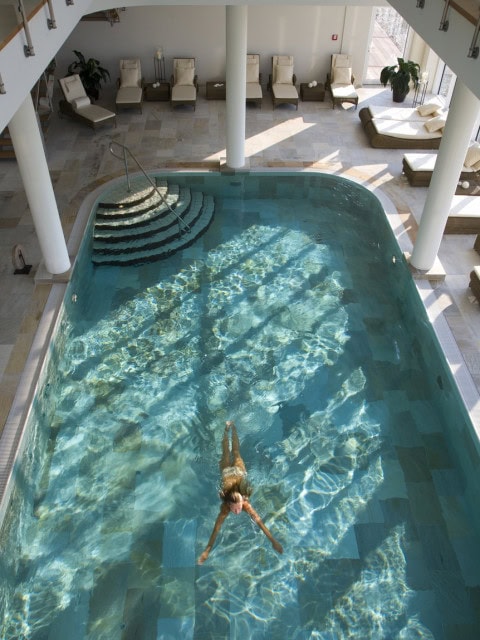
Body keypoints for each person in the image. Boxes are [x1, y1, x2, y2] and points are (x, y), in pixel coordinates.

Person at [198, 420, 283, 564]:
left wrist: (273, 541)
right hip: (232, 472)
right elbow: (216, 528)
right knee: (227, 452)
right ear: (229, 505)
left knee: (234, 451)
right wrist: (207, 550)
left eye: (238, 507)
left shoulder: (244, 504)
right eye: (236, 508)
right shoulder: (225, 508)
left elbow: (259, 522)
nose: (238, 511)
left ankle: (234, 428)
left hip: (233, 471)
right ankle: (226, 429)